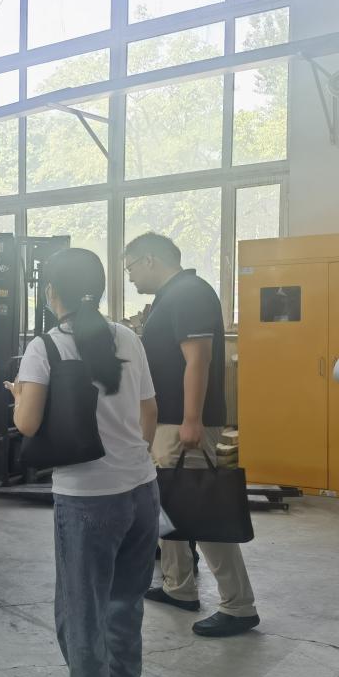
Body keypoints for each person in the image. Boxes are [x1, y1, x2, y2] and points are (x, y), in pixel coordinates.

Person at [8, 247, 159, 677]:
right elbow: (148, 411)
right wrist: (130, 459)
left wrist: (18, 394)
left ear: (52, 292)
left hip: (88, 498)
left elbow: (27, 423)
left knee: (81, 613)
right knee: (124, 602)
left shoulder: (46, 345)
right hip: (141, 489)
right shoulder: (127, 337)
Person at [125, 232, 260, 638]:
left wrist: (191, 420)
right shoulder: (171, 296)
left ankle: (239, 605)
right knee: (167, 504)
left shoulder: (189, 293)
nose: (130, 277)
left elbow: (197, 360)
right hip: (166, 422)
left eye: (131, 268)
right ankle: (178, 586)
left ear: (150, 260)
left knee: (203, 510)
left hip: (182, 424)